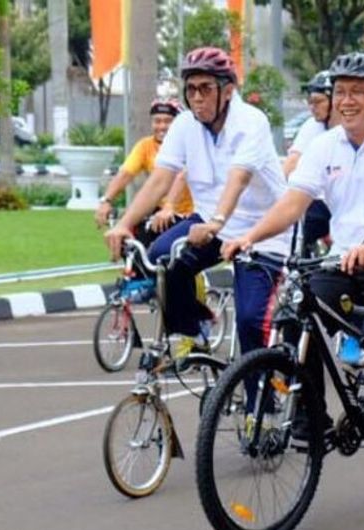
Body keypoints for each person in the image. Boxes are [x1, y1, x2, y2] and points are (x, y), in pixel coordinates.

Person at [221, 51, 364, 443]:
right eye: (340, 92)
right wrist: (250, 236)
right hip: (345, 259)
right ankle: (312, 417)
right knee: (296, 314)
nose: (346, 100)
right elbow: (292, 202)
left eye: (357, 91)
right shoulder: (325, 145)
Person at [103, 46, 290, 361]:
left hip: (262, 233)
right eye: (191, 89)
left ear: (227, 91)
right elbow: (161, 179)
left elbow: (239, 178)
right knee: (161, 257)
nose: (197, 97)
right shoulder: (184, 125)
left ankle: (262, 400)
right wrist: (124, 224)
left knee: (249, 321)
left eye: (206, 88)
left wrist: (217, 222)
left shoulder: (250, 122)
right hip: (210, 223)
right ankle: (196, 325)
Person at [94, 98, 194, 242]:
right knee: (129, 240)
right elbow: (125, 174)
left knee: (165, 252)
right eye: (157, 121)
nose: (162, 126)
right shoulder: (145, 146)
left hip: (189, 213)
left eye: (168, 121)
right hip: (160, 212)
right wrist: (106, 200)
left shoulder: (186, 145)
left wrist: (169, 206)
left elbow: (182, 176)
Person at [283, 70, 334, 256]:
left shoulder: (351, 128)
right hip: (316, 201)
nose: (312, 107)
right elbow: (292, 162)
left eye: (318, 101)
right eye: (310, 102)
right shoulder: (312, 126)